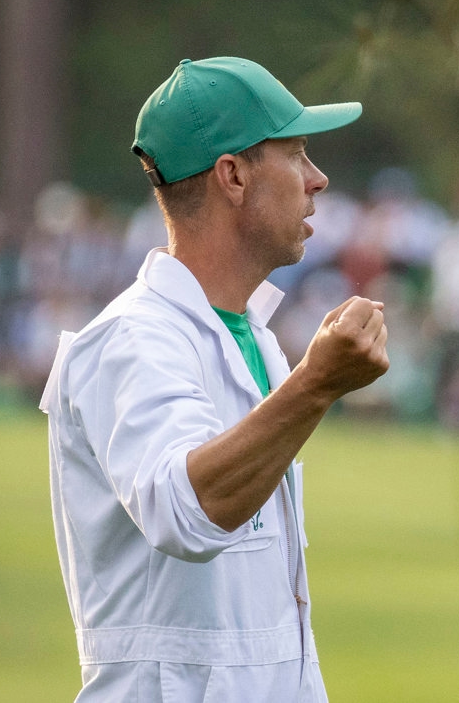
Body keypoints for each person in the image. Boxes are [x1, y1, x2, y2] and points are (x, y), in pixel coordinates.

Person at [41, 56, 389, 701]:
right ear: (233, 175)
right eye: (297, 153)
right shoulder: (132, 339)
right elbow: (188, 514)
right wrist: (314, 385)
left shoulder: (253, 334)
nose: (318, 179)